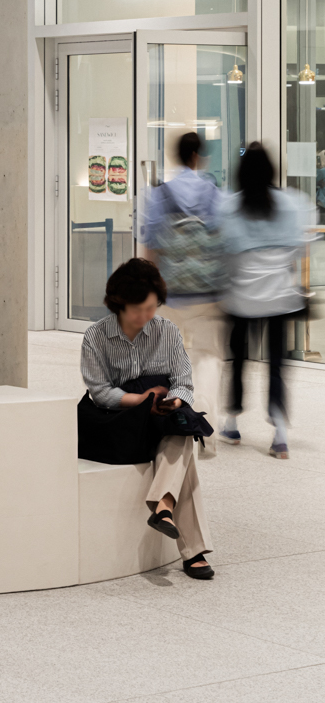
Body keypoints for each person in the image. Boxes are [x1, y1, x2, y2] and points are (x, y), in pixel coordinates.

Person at [80, 257, 214, 580]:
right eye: (137, 309)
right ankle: (190, 547)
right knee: (184, 446)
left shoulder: (167, 331)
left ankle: (164, 508)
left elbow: (184, 381)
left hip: (161, 415)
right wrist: (142, 401)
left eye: (151, 308)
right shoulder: (96, 337)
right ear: (119, 305)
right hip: (120, 421)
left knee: (181, 427)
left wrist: (173, 401)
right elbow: (100, 391)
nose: (145, 316)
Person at [217, 141, 312, 459]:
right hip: (280, 298)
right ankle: (280, 436)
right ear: (272, 170)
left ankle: (232, 423)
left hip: (241, 298)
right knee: (276, 365)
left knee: (238, 360)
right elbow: (298, 250)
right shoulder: (292, 204)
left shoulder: (229, 207)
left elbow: (224, 257)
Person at [141, 131, 226, 456]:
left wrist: (151, 291)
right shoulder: (214, 194)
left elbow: (151, 245)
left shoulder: (161, 194)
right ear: (197, 157)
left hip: (170, 293)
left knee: (164, 362)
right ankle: (207, 435)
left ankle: (168, 432)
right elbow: (224, 242)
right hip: (206, 294)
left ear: (177, 157)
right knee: (207, 360)